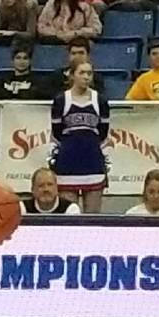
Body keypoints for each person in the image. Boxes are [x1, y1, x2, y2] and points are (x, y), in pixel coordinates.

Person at [50, 57, 109, 213]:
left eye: (89, 73)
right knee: (70, 216)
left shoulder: (101, 101)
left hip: (93, 162)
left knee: (94, 218)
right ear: (72, 75)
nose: (86, 77)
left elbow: (103, 132)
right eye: (82, 72)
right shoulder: (61, 101)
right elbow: (57, 132)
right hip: (68, 163)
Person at [37, 0, 103, 44]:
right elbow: (41, 26)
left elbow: (96, 29)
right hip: (55, 40)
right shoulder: (51, 3)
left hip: (77, 40)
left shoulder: (84, 6)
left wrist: (76, 33)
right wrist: (58, 34)